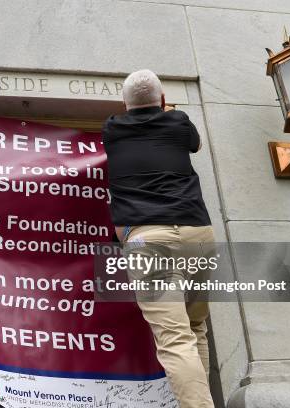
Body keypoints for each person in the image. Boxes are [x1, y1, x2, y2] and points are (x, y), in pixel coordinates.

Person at [102, 69, 215, 408]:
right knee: (196, 328)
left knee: (175, 339)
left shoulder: (112, 128)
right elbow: (194, 143)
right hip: (197, 232)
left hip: (147, 238)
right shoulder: (178, 122)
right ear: (163, 100)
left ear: (124, 104)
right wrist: (169, 112)